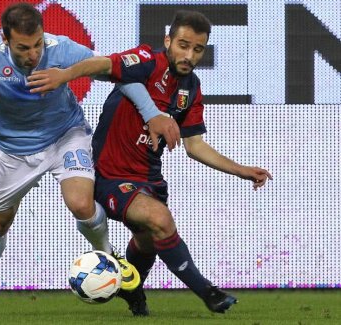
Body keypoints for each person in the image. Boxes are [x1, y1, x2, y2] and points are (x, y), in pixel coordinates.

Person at [27, 10, 272, 316]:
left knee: (147, 243)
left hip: (150, 180)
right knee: (160, 219)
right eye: (183, 45)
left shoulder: (191, 89)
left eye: (197, 49)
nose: (189, 54)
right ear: (168, 40)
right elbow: (103, 64)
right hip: (110, 177)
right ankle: (208, 292)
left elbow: (194, 146)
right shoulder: (146, 60)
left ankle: (135, 296)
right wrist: (64, 75)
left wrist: (242, 171)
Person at [0, 2, 140, 317]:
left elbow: (114, 70)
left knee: (81, 204)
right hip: (13, 153)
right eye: (23, 47)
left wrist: (152, 114)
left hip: (66, 136)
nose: (33, 54)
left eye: (36, 44)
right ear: (6, 41)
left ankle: (108, 254)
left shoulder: (60, 49)